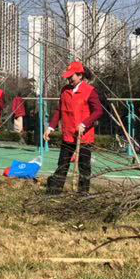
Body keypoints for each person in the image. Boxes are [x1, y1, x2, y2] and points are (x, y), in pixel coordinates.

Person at [44, 61, 104, 194]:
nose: (69, 79)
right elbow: (59, 110)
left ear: (80, 76)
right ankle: (54, 191)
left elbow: (98, 111)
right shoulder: (64, 90)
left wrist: (84, 124)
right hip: (68, 135)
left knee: (84, 167)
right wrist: (51, 127)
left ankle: (83, 194)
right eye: (68, 77)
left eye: (71, 76)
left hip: (84, 137)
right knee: (62, 164)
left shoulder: (90, 91)